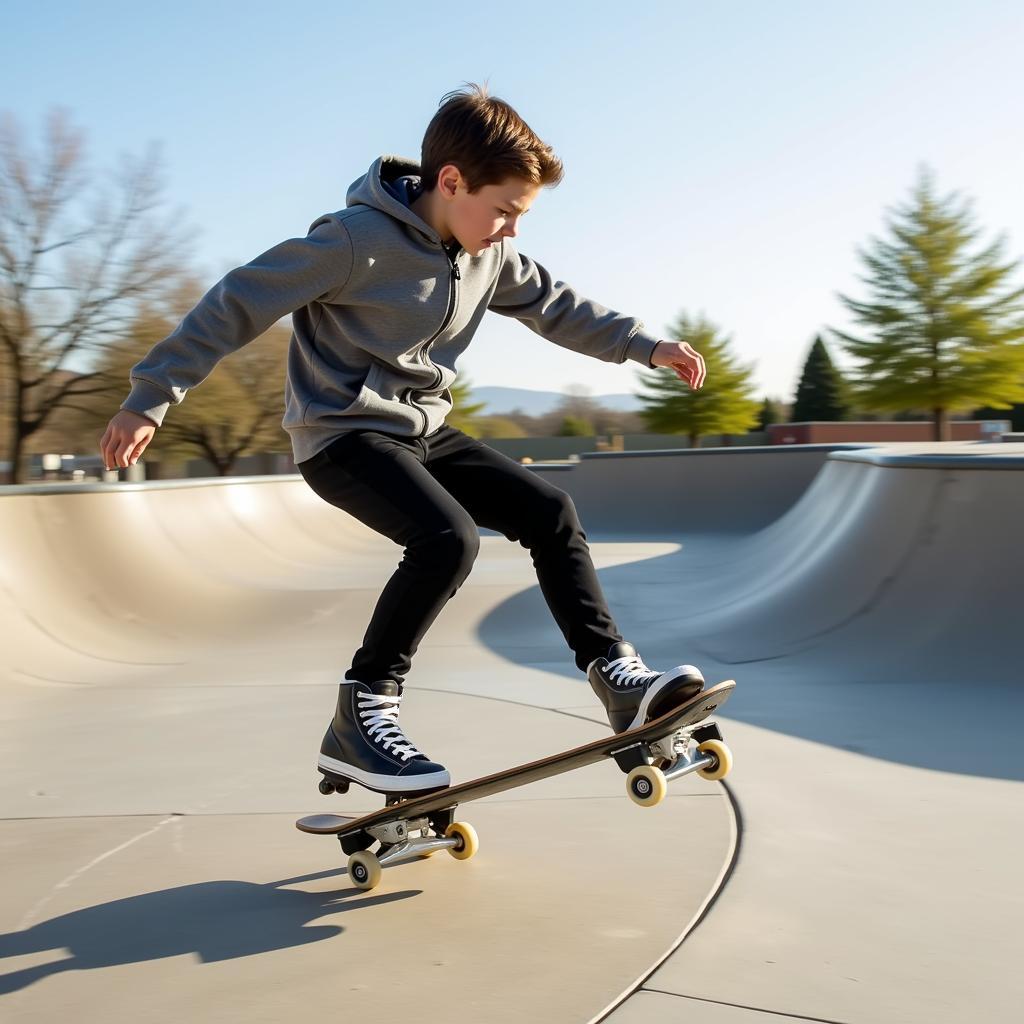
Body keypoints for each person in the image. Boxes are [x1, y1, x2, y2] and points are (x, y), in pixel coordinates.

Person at [99, 82, 709, 796]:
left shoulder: (490, 256)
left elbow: (554, 304)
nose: (511, 230)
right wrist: (151, 399)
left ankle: (616, 678)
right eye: (505, 210)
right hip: (341, 437)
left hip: (423, 431)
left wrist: (645, 344)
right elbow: (239, 299)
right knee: (447, 540)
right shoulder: (353, 241)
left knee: (550, 513)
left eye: (522, 216)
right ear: (451, 182)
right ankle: (363, 713)